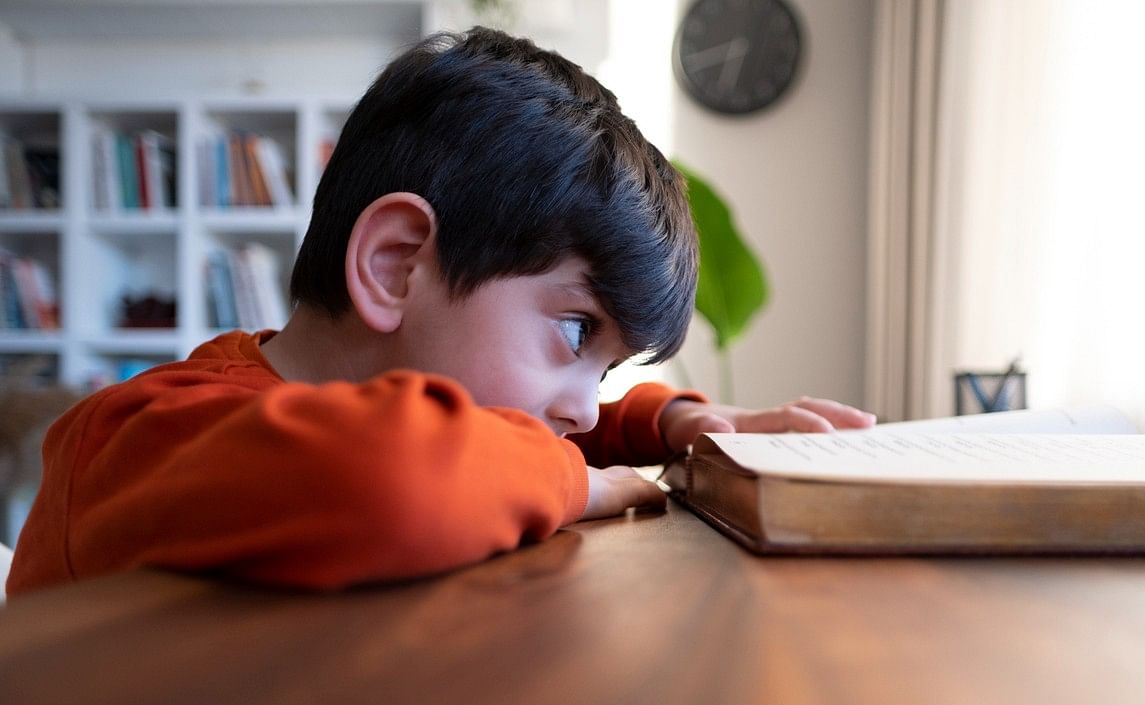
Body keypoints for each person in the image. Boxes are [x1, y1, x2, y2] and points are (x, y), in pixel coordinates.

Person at [6, 28, 874, 596]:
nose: (579, 404)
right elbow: (396, 470)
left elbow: (517, 422)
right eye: (576, 331)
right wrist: (574, 479)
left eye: (602, 369)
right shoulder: (138, 436)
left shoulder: (370, 407)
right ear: (397, 266)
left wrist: (680, 420)